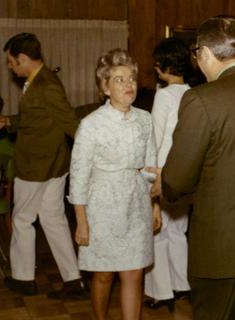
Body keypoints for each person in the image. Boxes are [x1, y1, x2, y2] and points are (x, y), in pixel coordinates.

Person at [149, 15, 235, 319]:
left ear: (206, 53)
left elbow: (179, 179)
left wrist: (165, 178)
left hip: (219, 246)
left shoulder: (201, 99)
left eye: (197, 55)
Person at [0, 32, 87, 299]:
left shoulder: (46, 85)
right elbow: (36, 118)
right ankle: (73, 280)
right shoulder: (38, 82)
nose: (10, 67)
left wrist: (99, 150)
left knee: (22, 219)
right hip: (53, 165)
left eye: (11, 62)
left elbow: (70, 122)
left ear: (23, 58)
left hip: (36, 167)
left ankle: (23, 279)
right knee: (54, 220)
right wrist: (9, 121)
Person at [68, 48, 160, 320]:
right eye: (118, 80)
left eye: (131, 78)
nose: (128, 84)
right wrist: (81, 221)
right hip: (102, 206)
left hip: (137, 204)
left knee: (133, 272)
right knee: (104, 273)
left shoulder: (145, 119)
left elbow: (151, 166)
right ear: (105, 88)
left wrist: (155, 204)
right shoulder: (91, 124)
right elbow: (79, 175)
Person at [144, 37, 192, 311]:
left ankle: (162, 293)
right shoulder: (193, 93)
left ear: (161, 65)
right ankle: (182, 285)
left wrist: (151, 177)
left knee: (158, 233)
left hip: (162, 171)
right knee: (178, 232)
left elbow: (156, 138)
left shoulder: (163, 95)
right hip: (184, 172)